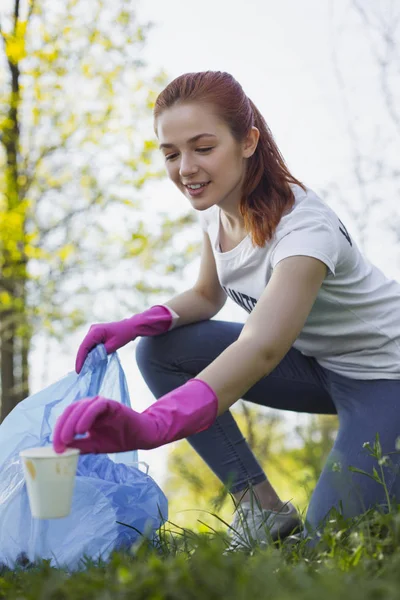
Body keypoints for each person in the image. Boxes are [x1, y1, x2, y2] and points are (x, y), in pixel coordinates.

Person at [53, 71, 400, 549]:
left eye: (203, 147)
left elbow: (260, 346)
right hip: (319, 367)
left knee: (331, 546)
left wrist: (154, 424)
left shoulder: (305, 231)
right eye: (171, 154)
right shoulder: (219, 211)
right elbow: (205, 297)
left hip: (386, 376)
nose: (186, 168)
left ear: (248, 141)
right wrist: (134, 325)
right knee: (161, 352)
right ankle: (262, 509)